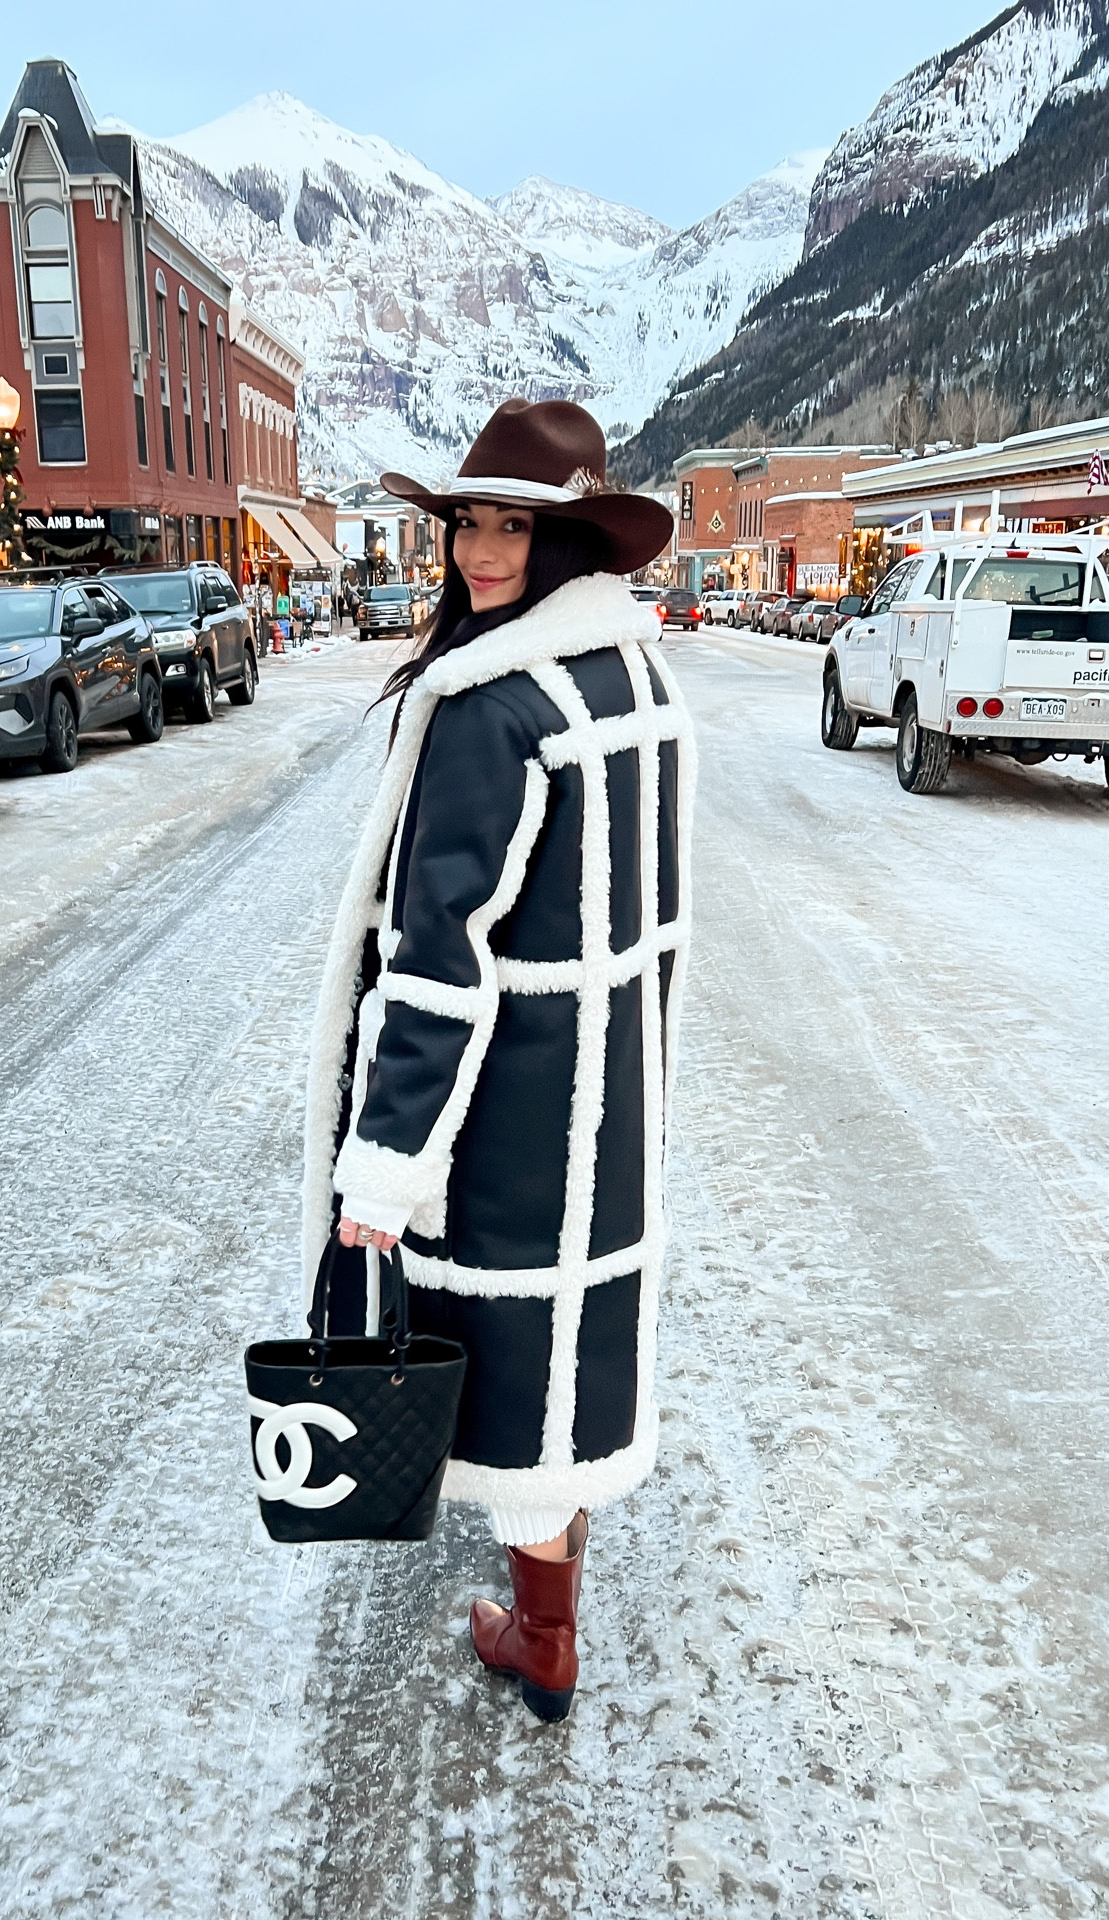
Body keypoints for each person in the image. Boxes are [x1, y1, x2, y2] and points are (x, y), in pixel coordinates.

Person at [302, 398, 692, 1723]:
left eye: (510, 527)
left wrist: (383, 1166)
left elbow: (439, 964)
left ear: (564, 540)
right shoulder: (633, 680)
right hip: (603, 1103)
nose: (476, 551)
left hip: (504, 1122)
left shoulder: (491, 704)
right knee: (567, 1366)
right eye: (467, 522)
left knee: (520, 1390)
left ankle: (543, 1638)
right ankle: (550, 1614)